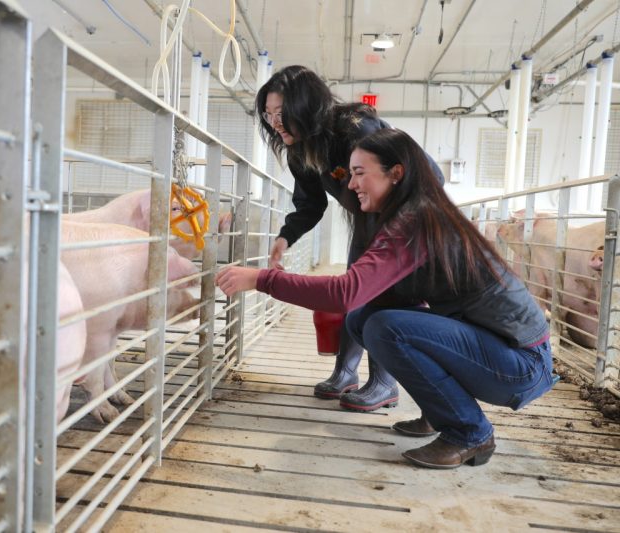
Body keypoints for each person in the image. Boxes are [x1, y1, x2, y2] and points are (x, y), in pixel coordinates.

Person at [216, 128, 555, 469]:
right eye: (349, 174)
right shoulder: (412, 214)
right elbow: (367, 297)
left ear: (396, 173)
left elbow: (346, 292)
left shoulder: (417, 220)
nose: (350, 185)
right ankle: (442, 413)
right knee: (364, 319)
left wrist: (262, 279)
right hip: (500, 354)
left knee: (383, 327)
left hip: (521, 365)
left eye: (360, 173)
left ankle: (470, 432)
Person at [256, 65, 443, 411]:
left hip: (407, 212)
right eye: (268, 115)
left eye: (281, 113)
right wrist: (286, 237)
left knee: (384, 291)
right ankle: (345, 372)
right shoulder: (301, 148)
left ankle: (385, 382)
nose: (274, 123)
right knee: (355, 289)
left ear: (306, 106)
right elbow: (310, 203)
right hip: (368, 217)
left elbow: (415, 177)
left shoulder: (357, 130)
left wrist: (389, 236)